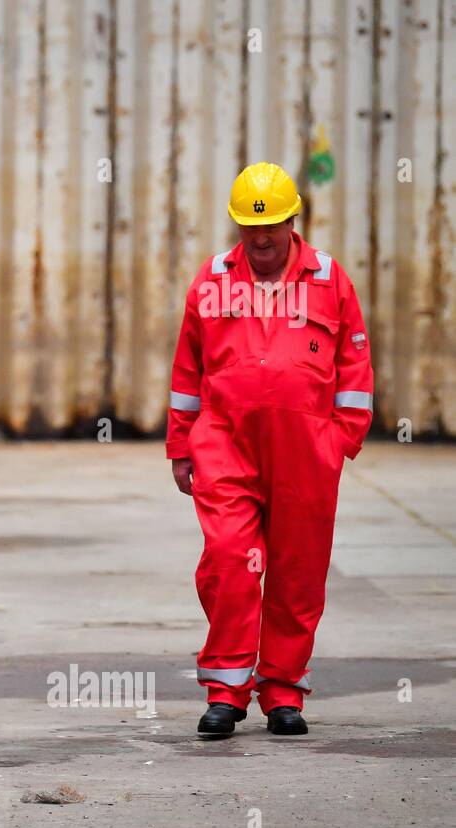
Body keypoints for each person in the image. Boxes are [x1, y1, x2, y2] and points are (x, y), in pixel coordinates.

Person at [167, 161, 374, 738]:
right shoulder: (210, 282)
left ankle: (283, 690)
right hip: (225, 446)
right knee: (230, 560)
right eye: (249, 226)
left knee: (297, 571)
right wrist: (181, 447)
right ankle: (226, 690)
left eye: (272, 226)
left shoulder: (330, 280)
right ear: (237, 224)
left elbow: (354, 363)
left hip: (307, 453)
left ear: (292, 221)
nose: (261, 238)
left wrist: (341, 438)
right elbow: (188, 370)